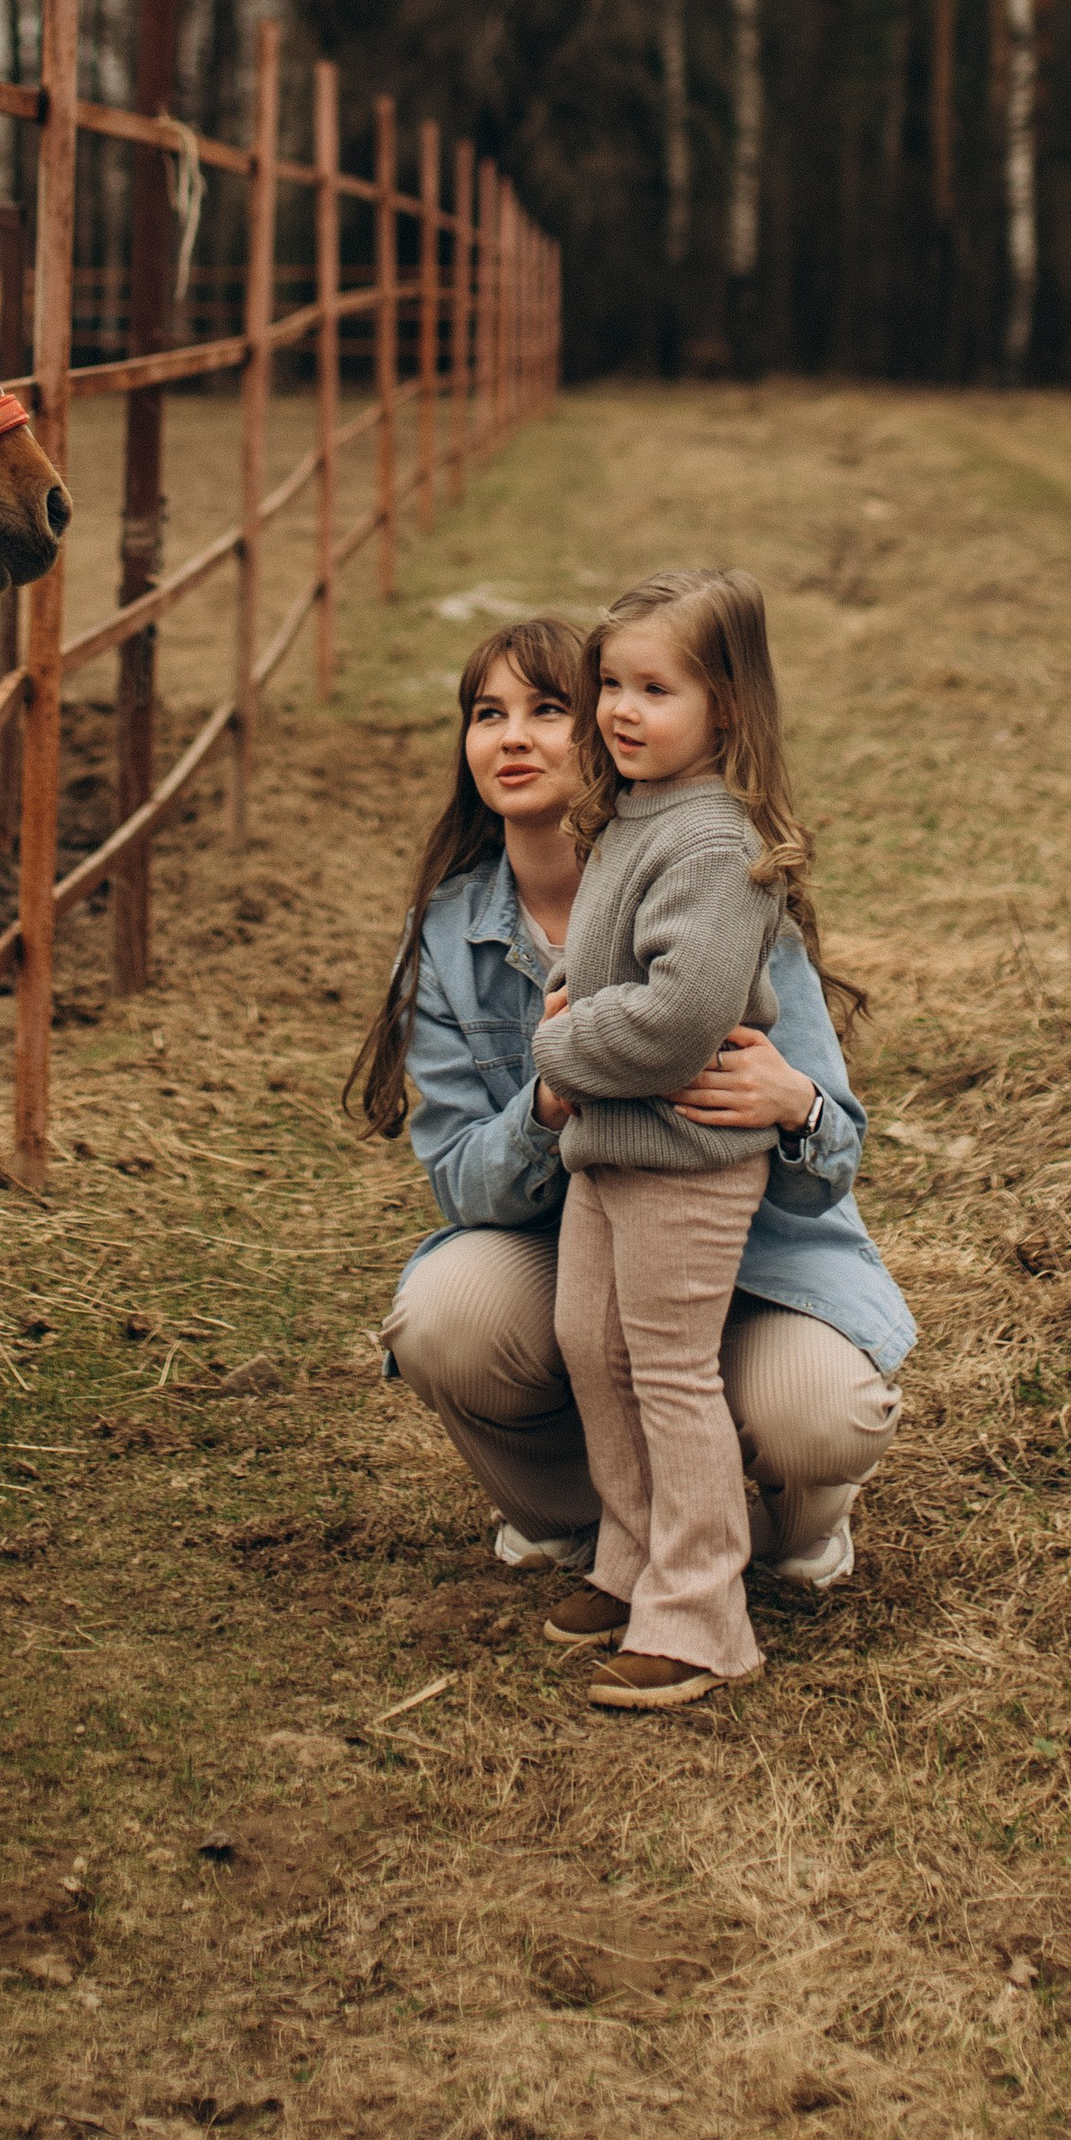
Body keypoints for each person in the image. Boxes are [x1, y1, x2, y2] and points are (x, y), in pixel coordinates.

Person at [348, 608, 910, 1685]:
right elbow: (459, 1177)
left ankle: (781, 1536)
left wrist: (791, 1103)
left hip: (733, 1239)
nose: (512, 736)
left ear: (607, 728)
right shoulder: (451, 929)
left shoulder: (707, 882)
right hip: (577, 1227)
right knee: (449, 1317)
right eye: (485, 713)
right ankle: (611, 1534)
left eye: (547, 709)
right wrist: (548, 1101)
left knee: (812, 1413)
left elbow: (833, 1156)